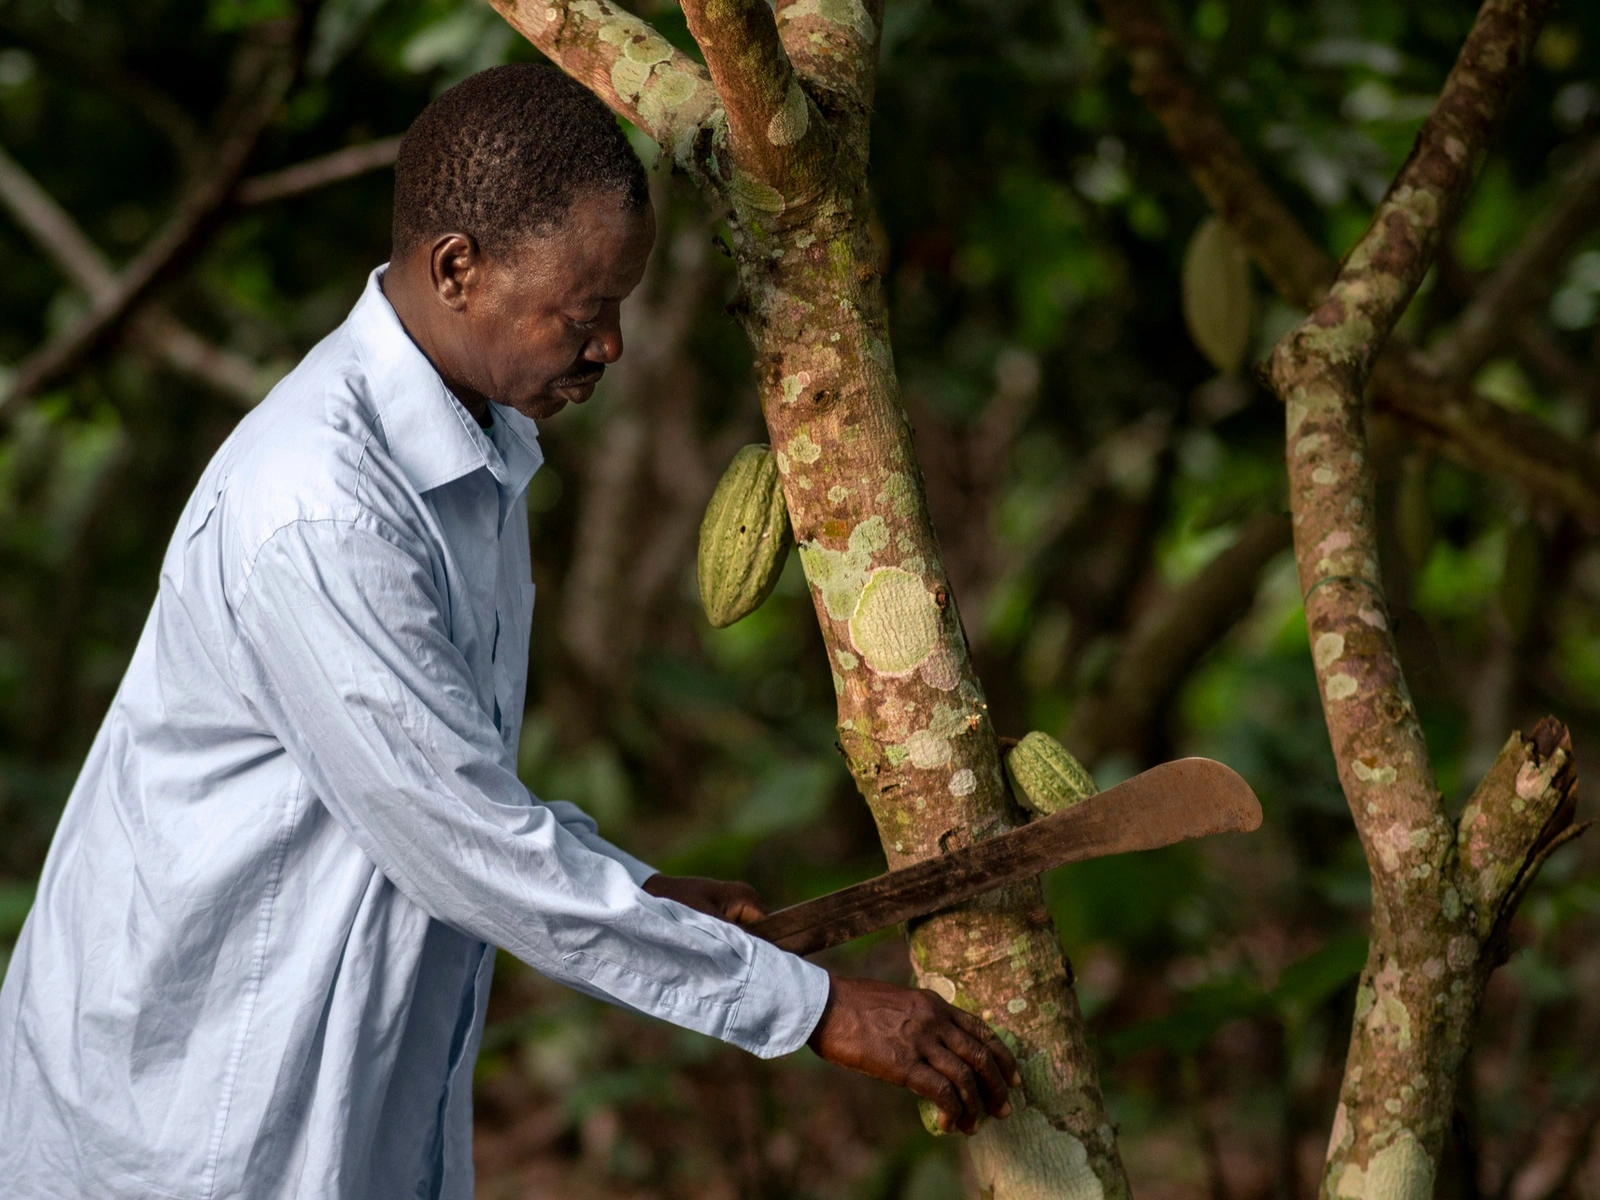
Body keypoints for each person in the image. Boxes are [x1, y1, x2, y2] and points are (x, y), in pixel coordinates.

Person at [0, 63, 1017, 1199]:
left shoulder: (471, 455)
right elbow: (460, 840)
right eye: (584, 314)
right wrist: (819, 1011)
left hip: (318, 1087)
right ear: (456, 270)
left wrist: (628, 886)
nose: (609, 349)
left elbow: (445, 789)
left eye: (618, 310)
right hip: (188, 1107)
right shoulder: (323, 507)